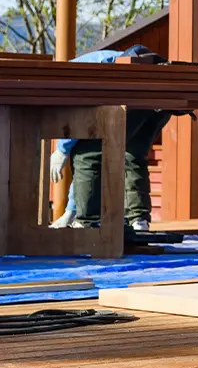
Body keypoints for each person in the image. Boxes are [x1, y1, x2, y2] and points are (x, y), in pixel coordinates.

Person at [48, 46, 179, 231]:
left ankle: (86, 224)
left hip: (135, 89)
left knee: (88, 153)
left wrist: (62, 149)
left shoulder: (64, 80)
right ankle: (138, 221)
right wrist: (70, 209)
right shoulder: (71, 72)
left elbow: (79, 125)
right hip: (165, 95)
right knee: (132, 154)